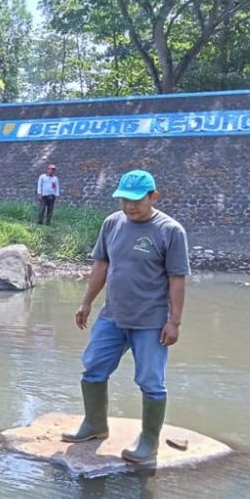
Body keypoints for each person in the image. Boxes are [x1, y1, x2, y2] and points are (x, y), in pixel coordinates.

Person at [64, 170, 189, 463]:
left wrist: (175, 321)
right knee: (93, 367)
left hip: (151, 322)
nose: (129, 206)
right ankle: (95, 424)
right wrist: (86, 303)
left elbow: (177, 279)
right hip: (112, 316)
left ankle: (148, 441)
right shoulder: (112, 223)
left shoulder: (170, 231)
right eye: (124, 200)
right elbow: (101, 266)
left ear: (153, 197)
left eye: (136, 201)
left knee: (151, 381)